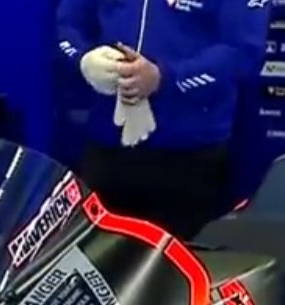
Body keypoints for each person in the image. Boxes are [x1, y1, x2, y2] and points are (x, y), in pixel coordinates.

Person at [56, 0, 269, 240]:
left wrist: (165, 77)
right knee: (99, 257)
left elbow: (243, 51)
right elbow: (68, 24)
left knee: (183, 258)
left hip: (188, 156)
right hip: (105, 149)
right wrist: (84, 59)